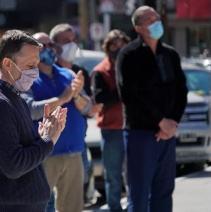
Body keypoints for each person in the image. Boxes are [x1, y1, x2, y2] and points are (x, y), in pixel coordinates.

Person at [0, 29, 68, 211]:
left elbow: (21, 152)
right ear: (8, 63)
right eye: (30, 66)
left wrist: (41, 137)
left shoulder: (15, 97)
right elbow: (15, 166)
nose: (35, 72)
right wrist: (48, 141)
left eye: (36, 65)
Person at [116, 6, 188, 212]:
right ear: (139, 28)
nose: (157, 23)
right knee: (138, 196)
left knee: (164, 192)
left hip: (167, 134)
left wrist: (172, 122)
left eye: (157, 18)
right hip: (140, 133)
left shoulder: (170, 54)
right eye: (150, 20)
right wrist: (160, 121)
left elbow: (181, 90)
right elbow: (128, 94)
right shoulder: (128, 55)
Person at [21, 32, 91, 212]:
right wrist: (62, 98)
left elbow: (87, 107)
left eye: (51, 45)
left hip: (73, 152)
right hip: (44, 154)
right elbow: (29, 109)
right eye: (43, 46)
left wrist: (76, 96)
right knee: (40, 207)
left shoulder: (68, 74)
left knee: (73, 208)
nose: (50, 49)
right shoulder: (27, 77)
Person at [49, 23, 103, 207]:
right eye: (66, 41)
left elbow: (89, 107)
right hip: (49, 151)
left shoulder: (80, 73)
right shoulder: (48, 71)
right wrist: (71, 97)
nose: (71, 45)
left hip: (77, 146)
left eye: (73, 41)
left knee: (74, 202)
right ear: (53, 45)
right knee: (44, 203)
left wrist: (81, 98)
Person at [92, 29, 130, 212]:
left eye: (122, 44)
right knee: (113, 175)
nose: (118, 48)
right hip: (111, 130)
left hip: (132, 128)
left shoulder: (133, 66)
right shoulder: (100, 71)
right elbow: (101, 98)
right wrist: (124, 89)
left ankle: (134, 206)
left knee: (133, 174)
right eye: (114, 45)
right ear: (107, 48)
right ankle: (115, 208)